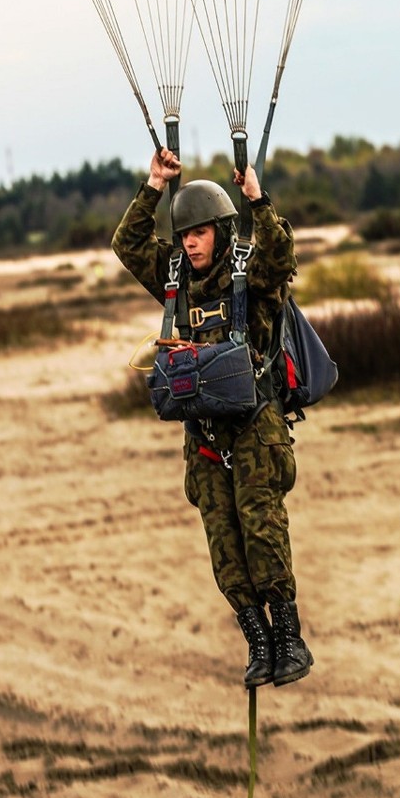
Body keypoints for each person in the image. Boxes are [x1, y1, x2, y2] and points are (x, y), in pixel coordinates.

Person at [112, 147, 313, 688]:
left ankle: (290, 639)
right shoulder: (176, 280)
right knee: (225, 549)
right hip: (203, 441)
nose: (189, 243)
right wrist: (154, 185)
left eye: (199, 232)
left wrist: (257, 200)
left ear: (221, 231)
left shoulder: (253, 276)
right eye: (184, 234)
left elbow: (282, 252)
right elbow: (127, 245)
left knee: (262, 534)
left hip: (255, 435)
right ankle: (258, 643)